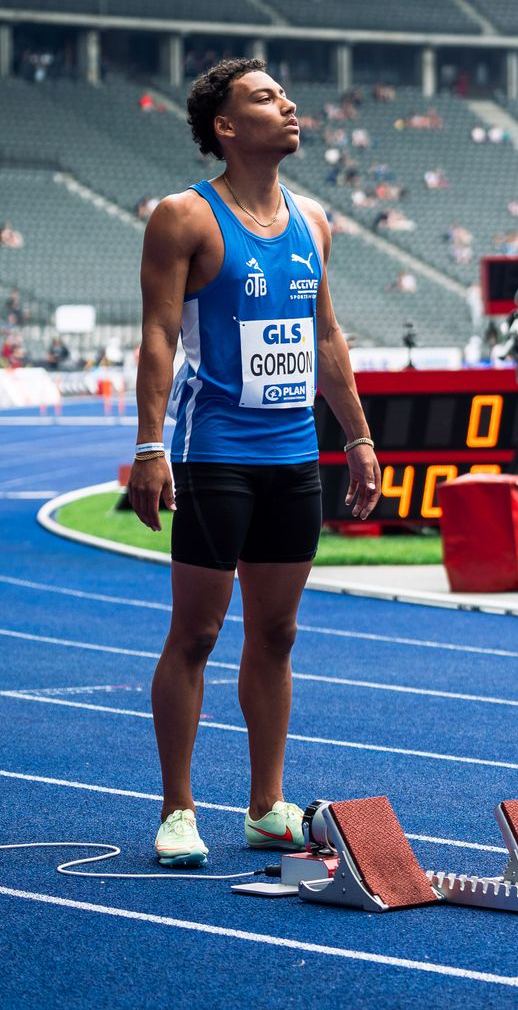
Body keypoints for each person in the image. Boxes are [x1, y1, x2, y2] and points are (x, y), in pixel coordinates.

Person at [129, 57, 382, 871]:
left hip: (291, 456)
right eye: (266, 97)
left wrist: (358, 436)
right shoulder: (185, 218)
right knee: (197, 633)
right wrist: (148, 445)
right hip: (215, 454)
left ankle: (266, 807)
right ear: (227, 128)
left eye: (285, 94)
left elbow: (328, 337)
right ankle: (177, 809)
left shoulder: (315, 222)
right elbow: (160, 336)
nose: (289, 105)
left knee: (276, 633)